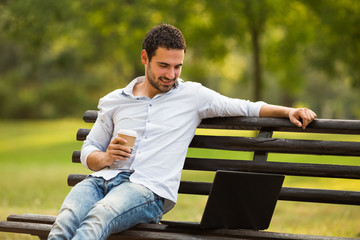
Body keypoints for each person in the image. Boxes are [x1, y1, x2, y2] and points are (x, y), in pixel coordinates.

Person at [48, 23, 316, 240]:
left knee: (97, 217)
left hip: (148, 191)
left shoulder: (193, 97)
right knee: (65, 222)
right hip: (101, 181)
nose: (171, 74)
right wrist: (104, 158)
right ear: (145, 58)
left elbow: (246, 107)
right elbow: (89, 149)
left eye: (178, 67)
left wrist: (288, 111)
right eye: (164, 65)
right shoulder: (115, 100)